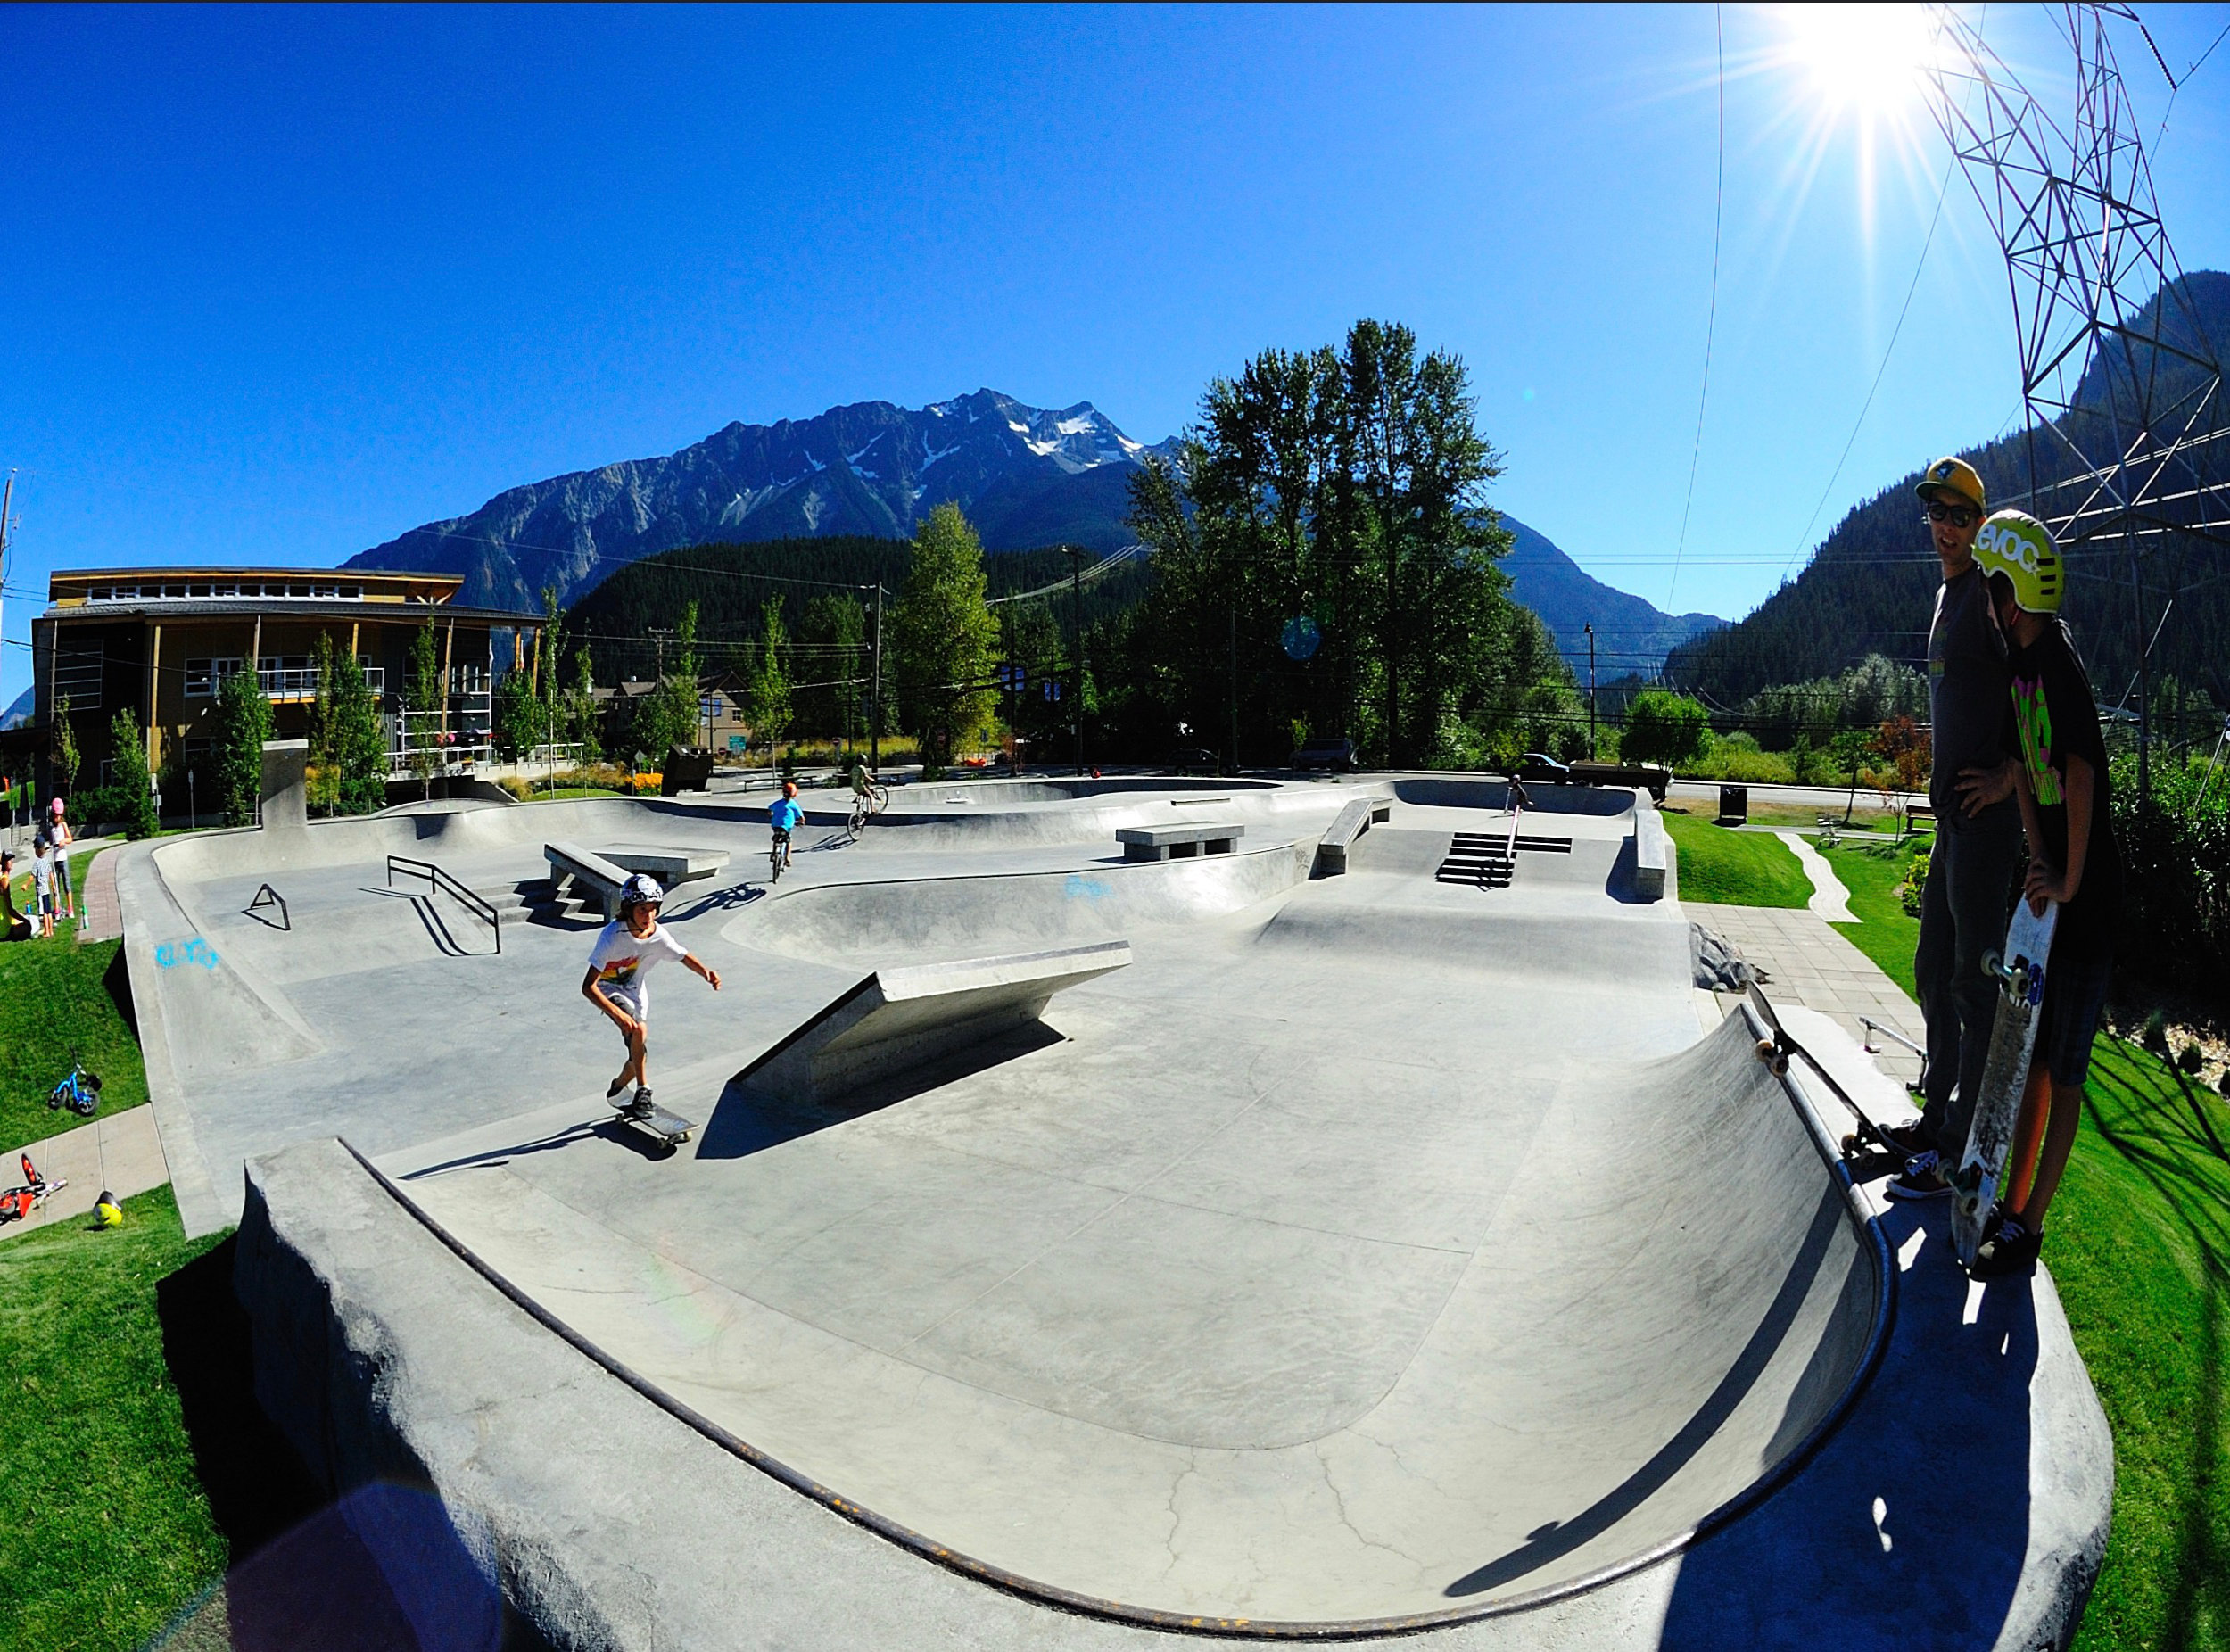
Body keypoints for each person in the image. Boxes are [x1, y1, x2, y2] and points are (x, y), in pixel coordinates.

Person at [1963, 511, 2122, 1278]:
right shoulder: (2020, 670)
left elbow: (2084, 776)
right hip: (2057, 891)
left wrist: (2070, 879)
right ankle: (2004, 1194)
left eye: (1994, 589)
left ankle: (2031, 1224)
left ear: (2014, 597)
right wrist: (2036, 856)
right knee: (2026, 1060)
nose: (1990, 606)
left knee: (2064, 1070)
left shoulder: (2056, 666)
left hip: (2089, 904)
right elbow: (2028, 769)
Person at [1886, 456, 2025, 1202]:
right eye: (1936, 514)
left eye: (1960, 517)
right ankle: (1934, 1118)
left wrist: (2011, 775)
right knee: (1931, 968)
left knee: (1974, 986)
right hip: (1951, 825)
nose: (1945, 528)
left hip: (1986, 822)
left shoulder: (1992, 597)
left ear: (1982, 525)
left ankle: (1958, 1151)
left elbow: (2040, 691)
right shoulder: (1948, 597)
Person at [581, 874, 721, 1120]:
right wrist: (617, 1014)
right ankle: (644, 1092)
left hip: (636, 994)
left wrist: (705, 972)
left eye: (653, 909)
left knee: (638, 1055)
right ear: (628, 909)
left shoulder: (658, 936)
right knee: (638, 1032)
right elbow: (588, 986)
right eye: (642, 909)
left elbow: (683, 955)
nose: (648, 916)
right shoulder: (612, 936)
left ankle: (618, 1087)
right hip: (608, 991)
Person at [47, 799, 74, 924]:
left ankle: (70, 908)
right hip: (55, 860)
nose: (58, 818)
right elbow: (51, 841)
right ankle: (57, 909)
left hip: (63, 858)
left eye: (59, 815)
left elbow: (70, 838)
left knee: (66, 884)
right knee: (55, 886)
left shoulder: (63, 825)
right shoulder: (51, 828)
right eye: (56, 815)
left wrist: (64, 841)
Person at [770, 779, 804, 870]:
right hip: (786, 827)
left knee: (777, 838)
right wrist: (801, 822)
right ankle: (787, 858)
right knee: (788, 841)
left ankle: (773, 853)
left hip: (775, 825)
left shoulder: (778, 803)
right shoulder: (793, 804)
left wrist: (772, 816)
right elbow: (801, 817)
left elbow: (770, 809)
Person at [0, 851, 30, 941]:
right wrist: (24, 919)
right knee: (28, 925)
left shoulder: (3, 878)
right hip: (5, 928)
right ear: (4, 862)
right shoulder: (4, 881)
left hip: (7, 921)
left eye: (11, 859)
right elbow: (10, 910)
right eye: (8, 860)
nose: (11, 862)